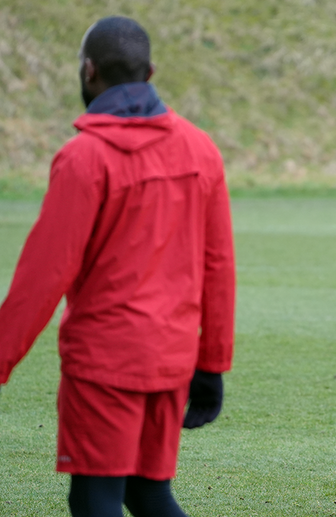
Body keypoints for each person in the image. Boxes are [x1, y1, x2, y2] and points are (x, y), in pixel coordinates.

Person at [0, 16, 235, 517]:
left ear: (89, 71)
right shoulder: (201, 149)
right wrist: (211, 364)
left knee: (95, 500)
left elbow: (43, 276)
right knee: (147, 493)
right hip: (170, 360)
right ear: (150, 73)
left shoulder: (84, 158)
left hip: (104, 365)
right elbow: (218, 267)